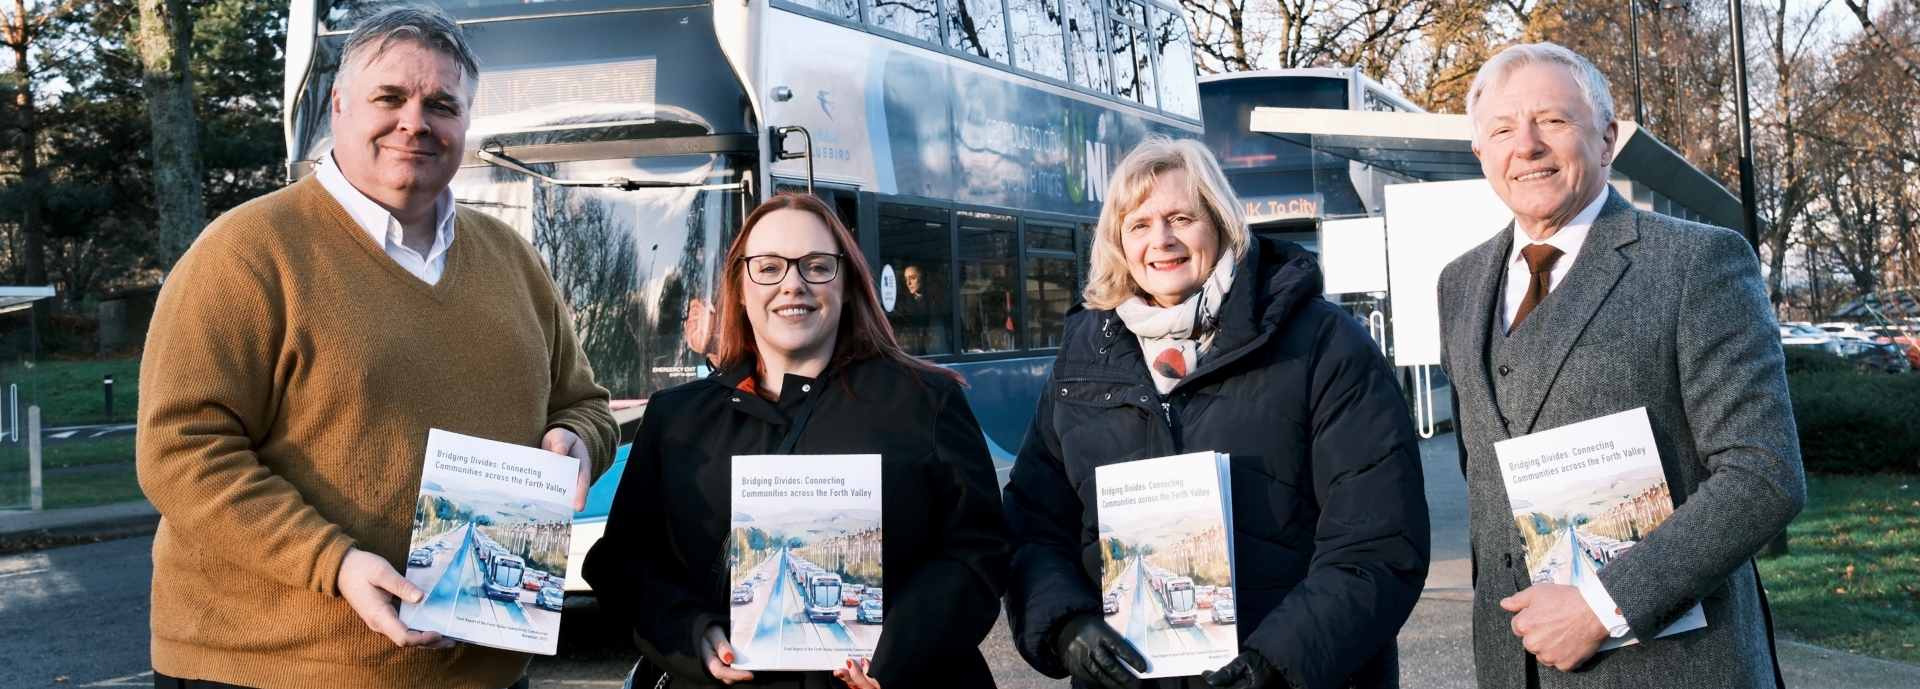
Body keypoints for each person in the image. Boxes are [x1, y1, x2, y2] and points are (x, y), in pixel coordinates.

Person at [135, 6, 618, 688]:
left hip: (489, 668)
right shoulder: (243, 255)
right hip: (275, 671)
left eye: (442, 104)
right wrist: (329, 560)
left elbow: (587, 404)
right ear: (338, 106)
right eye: (389, 97)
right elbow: (181, 451)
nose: (415, 122)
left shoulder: (512, 258)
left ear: (465, 123)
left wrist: (576, 439)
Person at [1436, 42, 1804, 687]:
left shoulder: (1698, 263)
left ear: (1606, 139)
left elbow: (1763, 474)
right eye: (1501, 129)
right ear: (1482, 155)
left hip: (1672, 665)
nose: (1526, 145)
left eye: (1552, 120)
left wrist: (1605, 607)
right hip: (1513, 662)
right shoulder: (1459, 284)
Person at [1002, 136, 1430, 689]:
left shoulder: (1323, 344)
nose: (1162, 241)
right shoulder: (1082, 360)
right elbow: (1035, 525)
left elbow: (1379, 540)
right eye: (1139, 225)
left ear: (1222, 224)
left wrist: (1277, 661)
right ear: (1118, 244)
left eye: (1181, 217)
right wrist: (1066, 625)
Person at [582, 192, 1011, 689]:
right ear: (740, 287)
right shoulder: (677, 417)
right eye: (768, 267)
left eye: (816, 266)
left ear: (846, 282)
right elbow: (623, 563)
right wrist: (689, 633)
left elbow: (979, 552)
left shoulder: (924, 402)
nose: (793, 284)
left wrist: (896, 649)